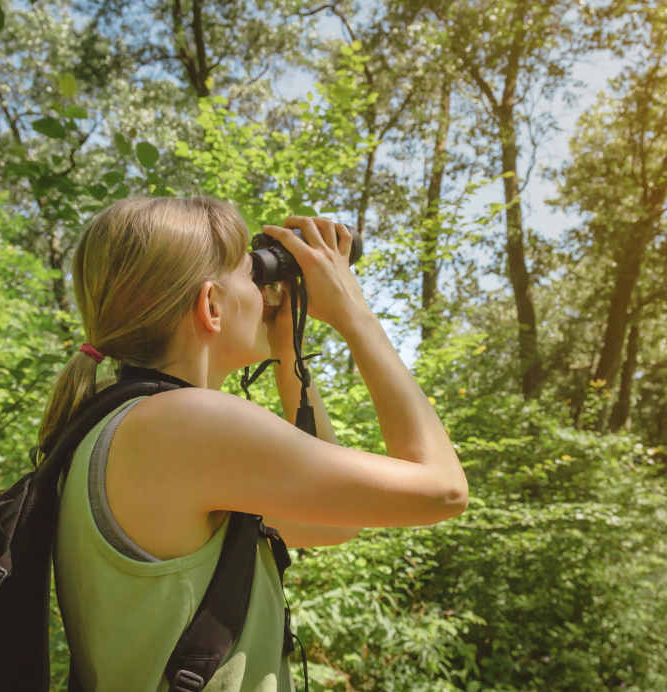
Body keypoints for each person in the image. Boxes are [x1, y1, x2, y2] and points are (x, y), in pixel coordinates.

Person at [45, 197, 469, 692]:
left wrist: (288, 349)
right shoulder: (184, 423)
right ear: (211, 306)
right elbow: (444, 490)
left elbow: (334, 523)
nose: (266, 292)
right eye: (252, 275)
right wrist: (356, 316)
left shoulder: (121, 423)